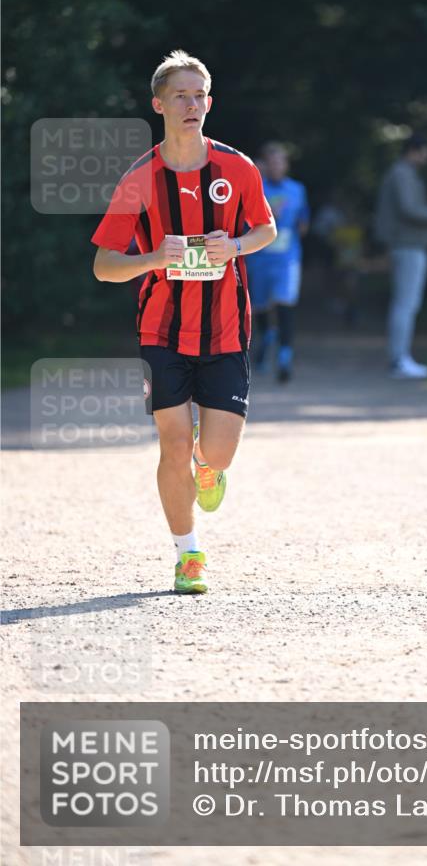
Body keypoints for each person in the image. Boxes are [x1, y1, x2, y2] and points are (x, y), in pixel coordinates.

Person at [91, 50, 277, 594]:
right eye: (181, 95)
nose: (192, 104)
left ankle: (208, 463)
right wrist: (155, 257)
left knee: (214, 452)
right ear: (159, 104)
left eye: (200, 96)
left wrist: (235, 246)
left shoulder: (237, 168)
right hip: (162, 331)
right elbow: (104, 267)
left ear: (210, 103)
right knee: (171, 445)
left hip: (225, 329)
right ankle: (187, 554)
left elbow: (266, 230)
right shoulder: (140, 179)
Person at [375, 134, 427, 379]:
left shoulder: (403, 173)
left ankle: (401, 358)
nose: (426, 158)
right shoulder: (402, 174)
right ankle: (399, 360)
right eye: (424, 153)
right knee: (405, 304)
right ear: (414, 151)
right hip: (407, 246)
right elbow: (409, 209)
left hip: (409, 244)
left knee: (407, 303)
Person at [246, 142, 309, 382]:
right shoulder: (254, 188)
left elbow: (303, 222)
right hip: (259, 258)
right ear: (263, 165)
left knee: (285, 303)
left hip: (287, 259)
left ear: (286, 165)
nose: (276, 167)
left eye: (280, 162)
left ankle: (285, 357)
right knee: (260, 306)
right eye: (271, 162)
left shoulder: (297, 189)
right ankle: (267, 337)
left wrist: (290, 233)